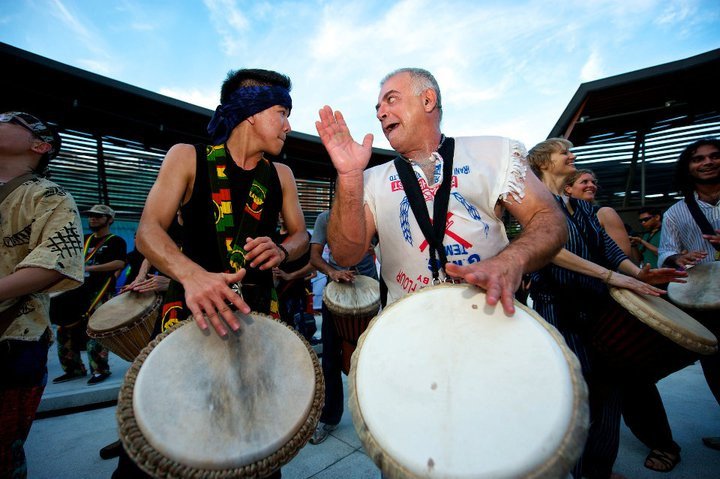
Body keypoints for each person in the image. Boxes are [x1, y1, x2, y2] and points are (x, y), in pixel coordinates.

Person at [119, 68, 308, 479]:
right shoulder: (187, 157)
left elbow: (301, 236)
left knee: (252, 448)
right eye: (282, 112)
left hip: (258, 322)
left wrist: (281, 248)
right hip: (191, 318)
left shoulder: (282, 176)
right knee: (167, 446)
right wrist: (191, 275)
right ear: (252, 112)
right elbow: (148, 231)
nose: (289, 126)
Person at [315, 67, 568, 314]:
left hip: (491, 322)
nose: (381, 113)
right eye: (378, 108)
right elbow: (345, 255)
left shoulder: (495, 153)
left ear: (427, 100)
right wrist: (349, 176)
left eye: (391, 99)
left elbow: (548, 219)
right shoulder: (370, 179)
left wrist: (511, 260)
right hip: (407, 329)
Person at [527, 138, 684, 479]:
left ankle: (595, 470)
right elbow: (548, 249)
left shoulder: (581, 207)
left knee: (609, 391)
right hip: (559, 310)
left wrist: (639, 273)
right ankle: (574, 468)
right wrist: (613, 276)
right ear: (542, 162)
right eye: (563, 152)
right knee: (577, 395)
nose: (572, 156)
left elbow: (611, 251)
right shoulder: (532, 204)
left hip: (597, 308)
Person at [563, 171, 681, 472]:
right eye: (583, 182)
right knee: (588, 384)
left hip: (606, 305)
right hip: (570, 308)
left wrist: (637, 276)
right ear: (566, 187)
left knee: (628, 380)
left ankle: (662, 443)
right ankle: (585, 459)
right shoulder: (552, 212)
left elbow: (621, 257)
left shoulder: (602, 213)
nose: (591, 185)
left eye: (593, 181)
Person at [0, 111, 84, 478]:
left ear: (40, 145)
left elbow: (55, 264)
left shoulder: (49, 196)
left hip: (12, 339)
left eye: (11, 119)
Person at [657, 138, 720, 452]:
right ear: (689, 167)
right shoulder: (675, 213)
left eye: (713, 156)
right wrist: (676, 259)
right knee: (716, 365)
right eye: (698, 159)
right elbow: (666, 253)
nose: (707, 162)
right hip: (707, 302)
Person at [308, 209, 378, 445]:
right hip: (335, 292)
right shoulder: (324, 219)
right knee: (329, 358)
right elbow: (314, 256)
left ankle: (375, 416)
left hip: (369, 292)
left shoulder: (370, 214)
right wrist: (332, 271)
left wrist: (374, 248)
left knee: (372, 358)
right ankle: (330, 416)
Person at [50, 204, 126, 385]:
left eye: (98, 216)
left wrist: (90, 268)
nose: (92, 219)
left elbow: (119, 263)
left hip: (99, 292)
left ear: (109, 220)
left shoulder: (116, 241)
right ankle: (73, 369)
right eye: (91, 216)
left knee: (95, 330)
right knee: (64, 328)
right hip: (77, 292)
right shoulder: (84, 240)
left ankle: (99, 369)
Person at [563, 169, 632, 255]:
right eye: (585, 182)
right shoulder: (561, 215)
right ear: (568, 189)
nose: (591, 185)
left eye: (594, 182)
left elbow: (623, 253)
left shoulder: (605, 213)